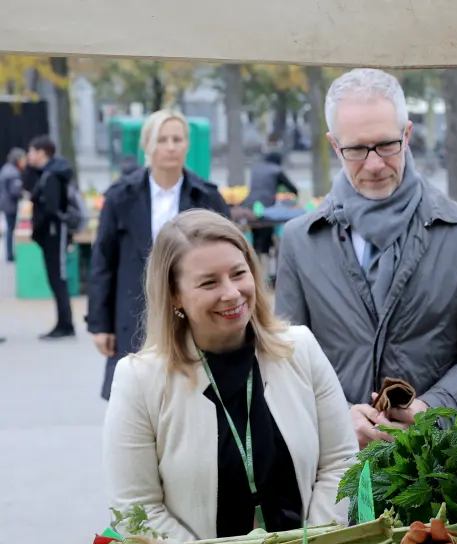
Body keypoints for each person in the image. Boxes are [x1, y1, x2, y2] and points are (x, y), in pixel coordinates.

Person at [276, 68, 457, 447]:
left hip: (435, 469)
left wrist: (432, 410)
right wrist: (336, 416)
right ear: (335, 145)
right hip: (337, 467)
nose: (373, 164)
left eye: (386, 145)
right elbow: (285, 360)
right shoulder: (300, 240)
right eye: (356, 149)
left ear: (407, 135)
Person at [102, 209, 359, 540]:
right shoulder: (139, 379)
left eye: (239, 274)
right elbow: (135, 507)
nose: (232, 293)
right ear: (175, 294)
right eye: (209, 282)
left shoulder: (301, 349)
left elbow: (342, 463)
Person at [88, 109, 229, 400]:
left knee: (192, 392)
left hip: (193, 308)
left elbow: (228, 257)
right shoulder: (120, 197)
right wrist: (100, 325)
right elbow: (103, 261)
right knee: (136, 395)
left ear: (187, 145)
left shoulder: (207, 197)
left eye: (177, 139)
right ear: (146, 146)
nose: (170, 146)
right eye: (162, 139)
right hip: (133, 309)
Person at [27, 135, 75, 339]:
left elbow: (51, 209)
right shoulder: (47, 174)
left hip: (54, 234)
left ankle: (66, 324)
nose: (29, 155)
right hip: (51, 234)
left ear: (41, 153)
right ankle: (63, 322)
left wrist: (39, 229)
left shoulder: (51, 176)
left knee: (58, 279)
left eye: (31, 151)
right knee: (55, 279)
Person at [243, 151, 299, 279]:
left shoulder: (256, 169)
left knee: (257, 240)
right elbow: (292, 188)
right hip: (266, 210)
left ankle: (256, 272)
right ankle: (266, 275)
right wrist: (295, 198)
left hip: (251, 208)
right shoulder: (276, 170)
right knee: (266, 242)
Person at [1, 147, 26, 263]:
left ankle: (9, 252)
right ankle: (10, 254)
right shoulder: (13, 172)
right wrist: (24, 193)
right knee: (11, 228)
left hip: (5, 203)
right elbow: (15, 191)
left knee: (9, 228)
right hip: (10, 204)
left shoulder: (6, 169)